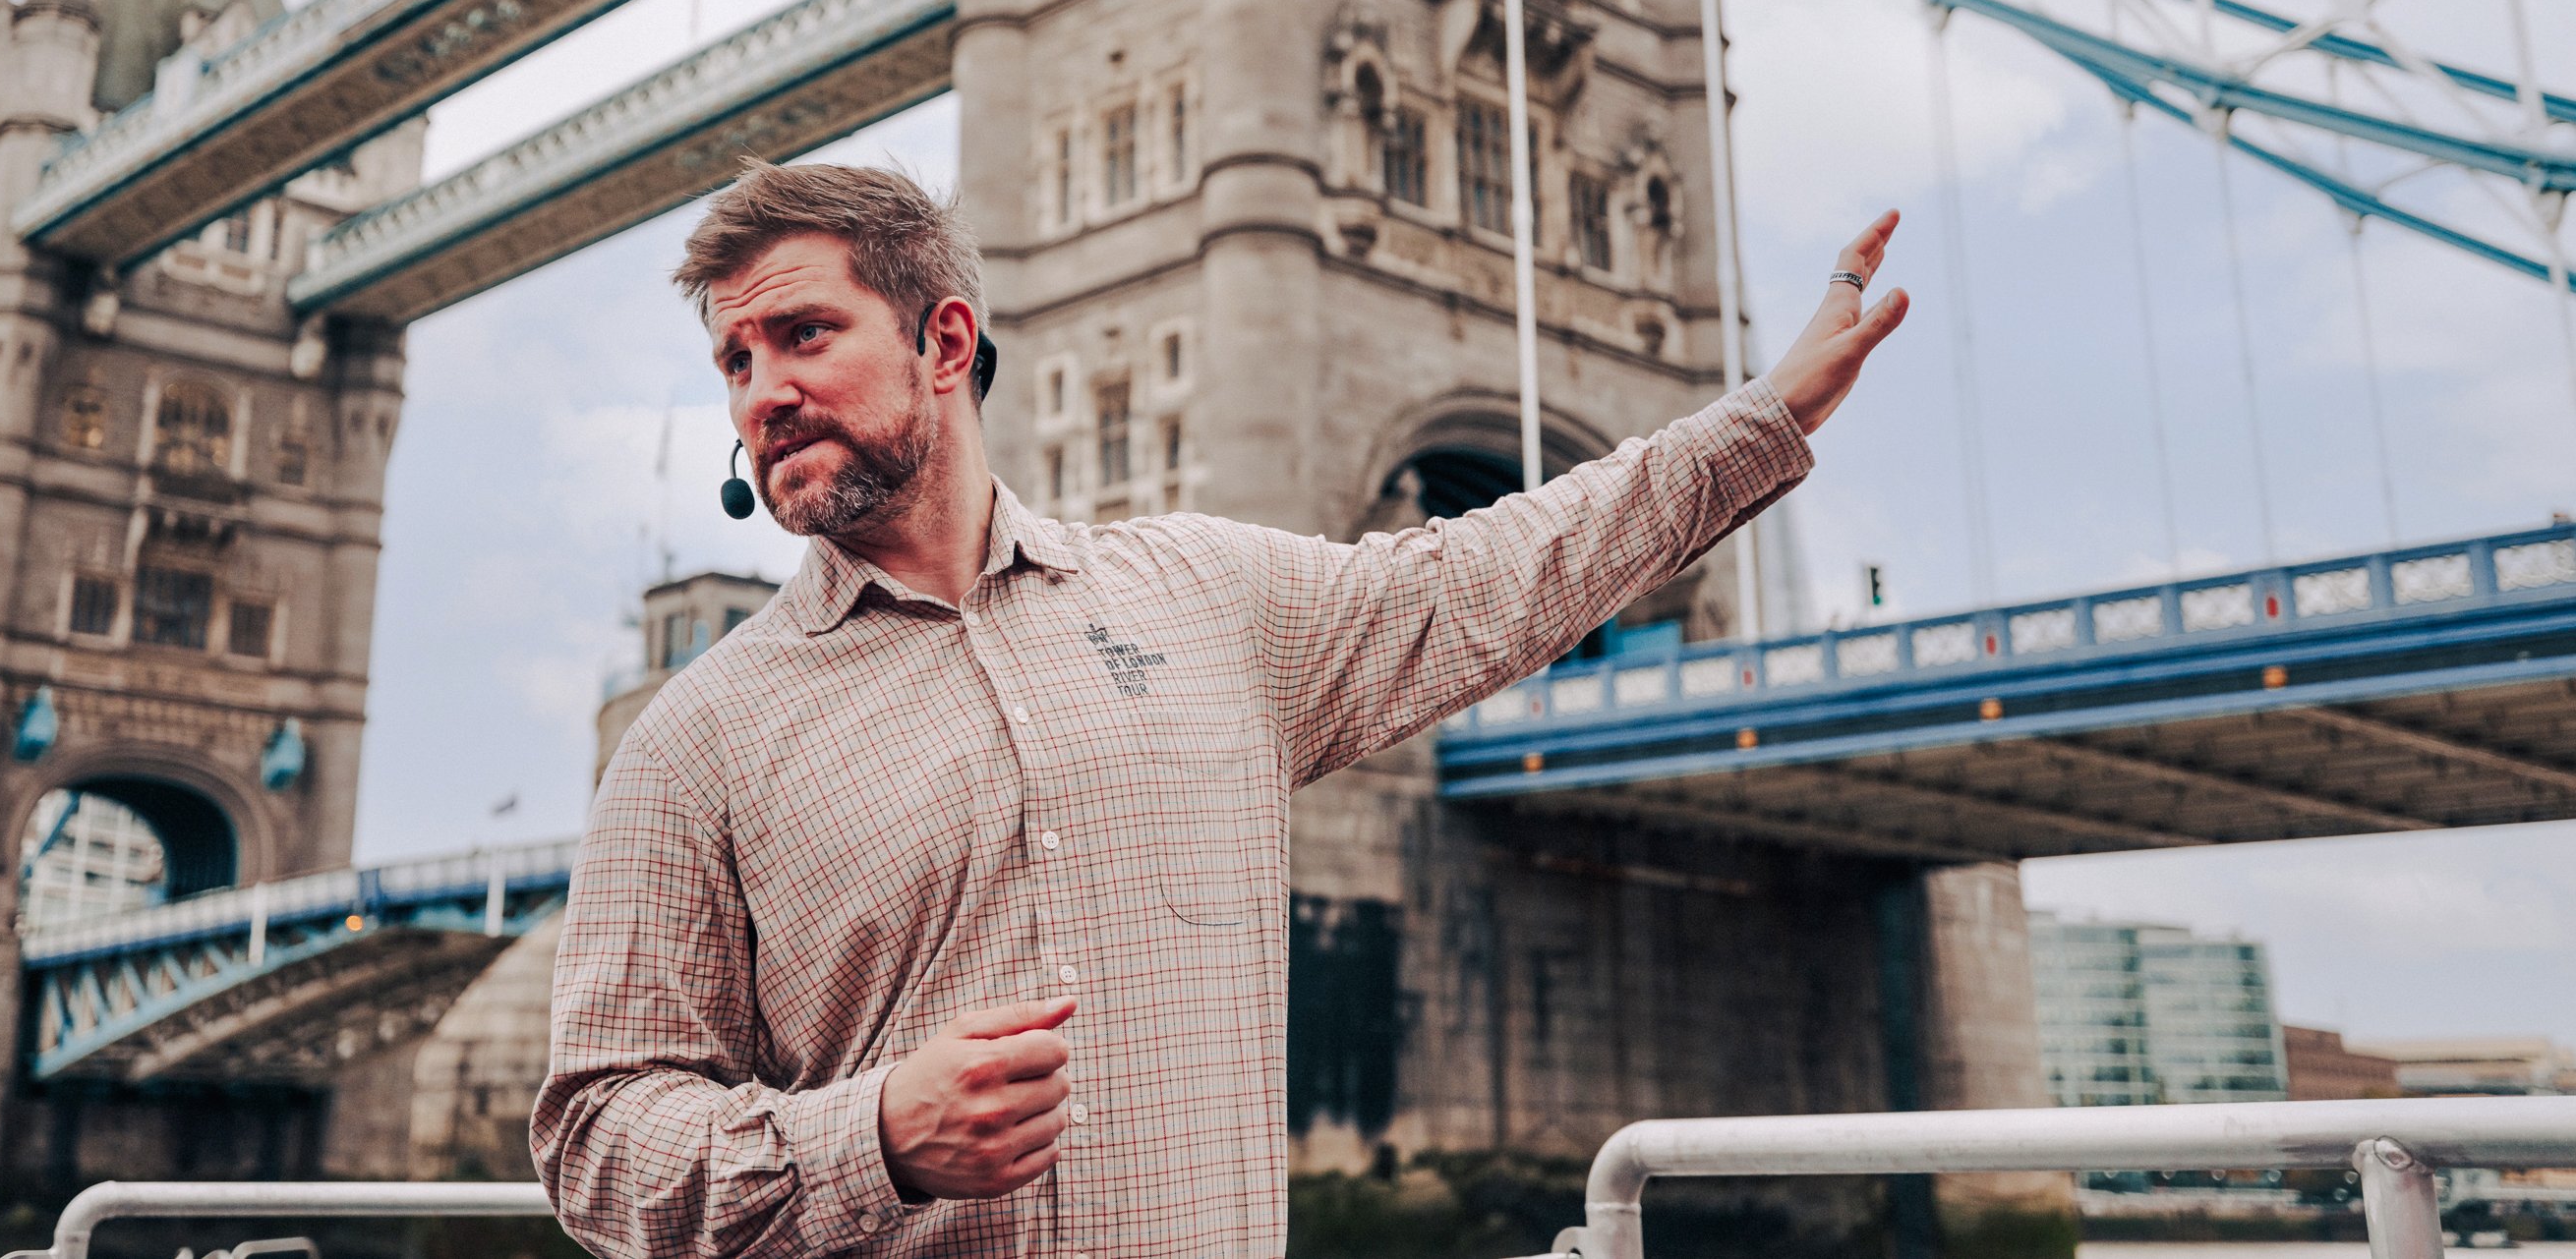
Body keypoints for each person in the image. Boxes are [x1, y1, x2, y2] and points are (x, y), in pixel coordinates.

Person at [532, 161, 1907, 1257]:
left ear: (944, 340)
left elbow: (1486, 577)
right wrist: (869, 1139)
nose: (764, 390)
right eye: (734, 362)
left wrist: (1757, 425)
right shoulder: (693, 742)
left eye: (804, 334)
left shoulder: (1207, 597)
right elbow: (598, 1140)